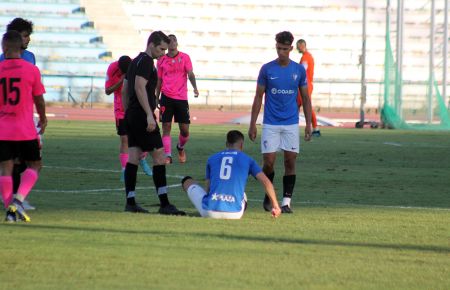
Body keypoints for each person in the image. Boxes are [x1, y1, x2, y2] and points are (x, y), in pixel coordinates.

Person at [121, 31, 185, 215]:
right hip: (143, 116)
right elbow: (139, 87)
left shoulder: (134, 61)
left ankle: (130, 202)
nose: (164, 53)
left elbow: (126, 89)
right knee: (159, 157)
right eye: (161, 49)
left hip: (133, 115)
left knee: (133, 157)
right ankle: (165, 204)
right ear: (151, 45)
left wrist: (128, 113)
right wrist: (149, 114)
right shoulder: (147, 62)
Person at [248, 31, 312, 214]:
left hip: (291, 123)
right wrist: (253, 124)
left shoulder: (298, 70)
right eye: (278, 48)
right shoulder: (267, 69)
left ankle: (286, 202)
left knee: (290, 162)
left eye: (284, 49)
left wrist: (308, 124)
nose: (281, 52)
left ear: (291, 48)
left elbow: (306, 99)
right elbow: (258, 97)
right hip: (271, 123)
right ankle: (269, 195)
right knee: (268, 162)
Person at [0, 30, 47, 222]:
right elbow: (39, 99)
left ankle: (9, 209)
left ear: (4, 47)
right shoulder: (31, 70)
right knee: (35, 165)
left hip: (3, 128)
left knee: (6, 169)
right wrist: (43, 119)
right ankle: (17, 202)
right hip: (25, 129)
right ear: (21, 47)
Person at [181, 130, 281, 219]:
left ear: (226, 144)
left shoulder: (212, 158)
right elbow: (266, 182)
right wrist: (275, 206)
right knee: (243, 195)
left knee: (187, 181)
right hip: (235, 214)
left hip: (209, 212)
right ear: (241, 144)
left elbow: (208, 189)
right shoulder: (248, 159)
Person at [105, 55, 152, 180]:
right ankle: (125, 170)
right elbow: (108, 91)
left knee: (144, 137)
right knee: (125, 140)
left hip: (135, 107)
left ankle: (142, 158)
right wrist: (121, 80)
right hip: (120, 110)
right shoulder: (112, 68)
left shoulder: (136, 68)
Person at [155, 34, 199, 164]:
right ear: (167, 44)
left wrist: (195, 87)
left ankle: (180, 147)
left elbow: (190, 73)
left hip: (181, 98)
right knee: (166, 126)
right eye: (170, 41)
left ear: (177, 43)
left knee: (184, 131)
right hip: (166, 97)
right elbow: (159, 79)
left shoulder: (185, 57)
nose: (172, 42)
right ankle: (168, 155)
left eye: (174, 40)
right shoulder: (161, 60)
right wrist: (157, 97)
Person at [296, 39, 320, 137]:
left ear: (302, 45)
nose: (297, 48)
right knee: (302, 105)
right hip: (307, 84)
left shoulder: (305, 57)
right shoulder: (308, 56)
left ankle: (314, 128)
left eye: (298, 46)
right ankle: (314, 128)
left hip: (305, 85)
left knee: (302, 105)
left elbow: (302, 69)